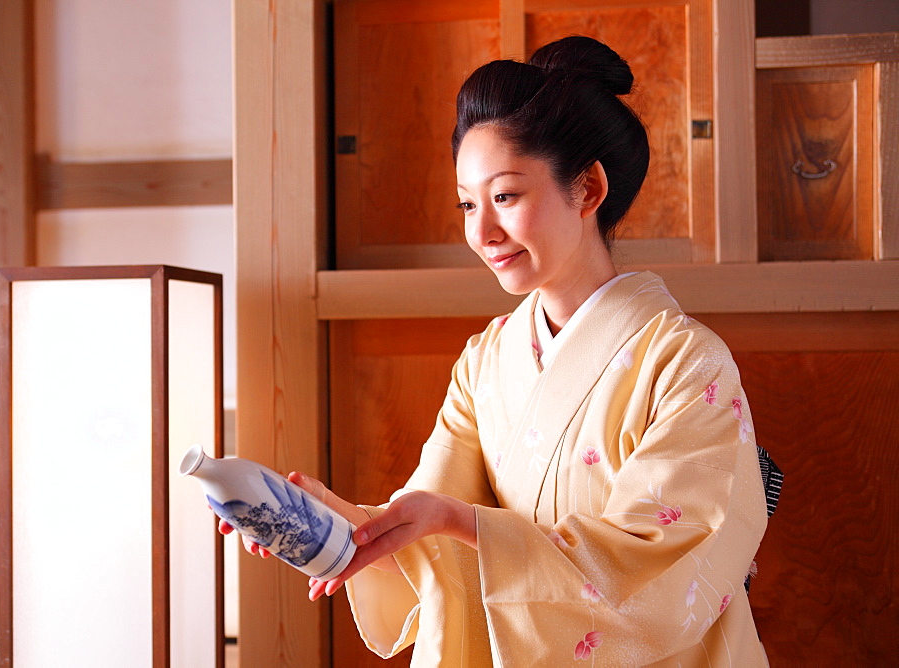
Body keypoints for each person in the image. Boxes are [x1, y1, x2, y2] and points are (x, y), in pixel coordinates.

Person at [225, 35, 773, 666]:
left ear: (589, 188)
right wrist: (328, 520)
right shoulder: (486, 362)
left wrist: (463, 524)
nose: (481, 233)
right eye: (467, 203)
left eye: (506, 197)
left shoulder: (686, 364)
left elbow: (658, 565)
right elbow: (423, 524)